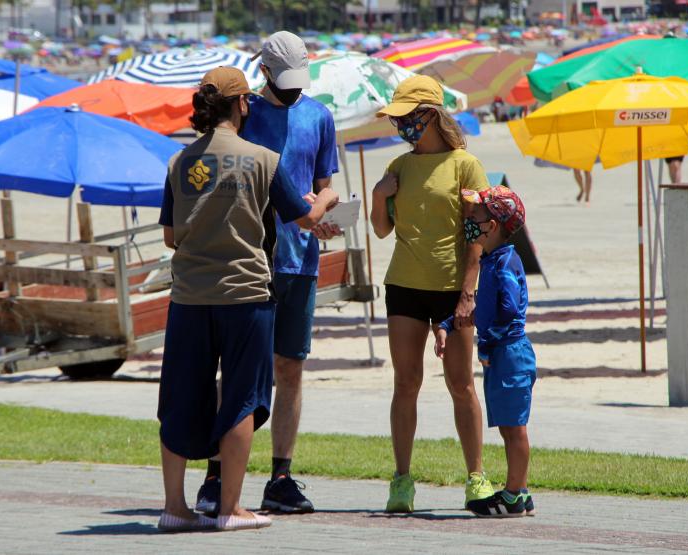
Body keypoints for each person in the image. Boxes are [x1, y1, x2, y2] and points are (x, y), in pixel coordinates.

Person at [156, 66, 338, 532]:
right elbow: (301, 218)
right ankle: (230, 508)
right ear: (242, 105)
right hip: (245, 293)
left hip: (190, 296)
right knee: (241, 398)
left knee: (181, 397)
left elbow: (171, 238)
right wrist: (327, 201)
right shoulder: (262, 159)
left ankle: (175, 507)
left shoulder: (179, 162)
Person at [196, 30, 341, 516]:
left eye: (299, 79)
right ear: (263, 74)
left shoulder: (319, 117)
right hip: (249, 259)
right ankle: (217, 474)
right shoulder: (245, 115)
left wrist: (328, 211)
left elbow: (324, 185)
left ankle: (280, 476)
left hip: (301, 259)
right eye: (284, 81)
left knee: (290, 368)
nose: (294, 89)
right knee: (235, 372)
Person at [370, 74, 495, 513]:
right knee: (406, 383)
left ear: (430, 115)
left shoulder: (465, 164)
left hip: (450, 288)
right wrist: (376, 196)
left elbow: (478, 234)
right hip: (403, 284)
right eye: (396, 118)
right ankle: (401, 481)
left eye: (406, 116)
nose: (399, 125)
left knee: (461, 384)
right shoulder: (398, 167)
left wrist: (468, 293)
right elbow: (382, 230)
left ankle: (476, 477)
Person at [435, 185, 536, 518]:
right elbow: (486, 308)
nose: (470, 219)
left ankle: (514, 494)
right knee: (508, 426)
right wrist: (449, 324)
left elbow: (507, 307)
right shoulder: (494, 259)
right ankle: (518, 491)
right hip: (502, 351)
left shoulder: (505, 263)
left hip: (510, 353)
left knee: (515, 427)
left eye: (475, 215)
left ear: (492, 227)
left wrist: (489, 341)